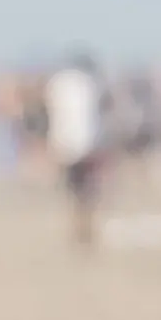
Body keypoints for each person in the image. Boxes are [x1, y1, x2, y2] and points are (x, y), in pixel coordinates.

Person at [45, 56, 106, 243]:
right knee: (86, 193)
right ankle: (83, 230)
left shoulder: (59, 83)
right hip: (86, 145)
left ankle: (79, 230)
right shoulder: (89, 84)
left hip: (66, 145)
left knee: (75, 193)